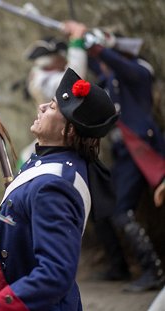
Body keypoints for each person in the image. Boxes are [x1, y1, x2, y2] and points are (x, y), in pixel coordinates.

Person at [0, 68, 119, 311]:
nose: (42, 106)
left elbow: (55, 274)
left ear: (70, 130)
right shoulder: (48, 161)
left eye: (53, 107)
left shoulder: (54, 186)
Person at [87, 32, 165, 292]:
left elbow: (111, 61)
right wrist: (76, 40)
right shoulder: (112, 78)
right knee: (104, 209)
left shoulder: (139, 73)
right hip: (124, 154)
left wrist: (97, 45)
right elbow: (98, 65)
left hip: (141, 152)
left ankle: (153, 270)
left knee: (122, 212)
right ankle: (118, 266)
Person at [17, 20, 88, 167]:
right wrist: (76, 41)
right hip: (61, 135)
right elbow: (74, 78)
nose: (65, 60)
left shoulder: (39, 73)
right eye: (62, 57)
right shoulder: (46, 81)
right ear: (53, 60)